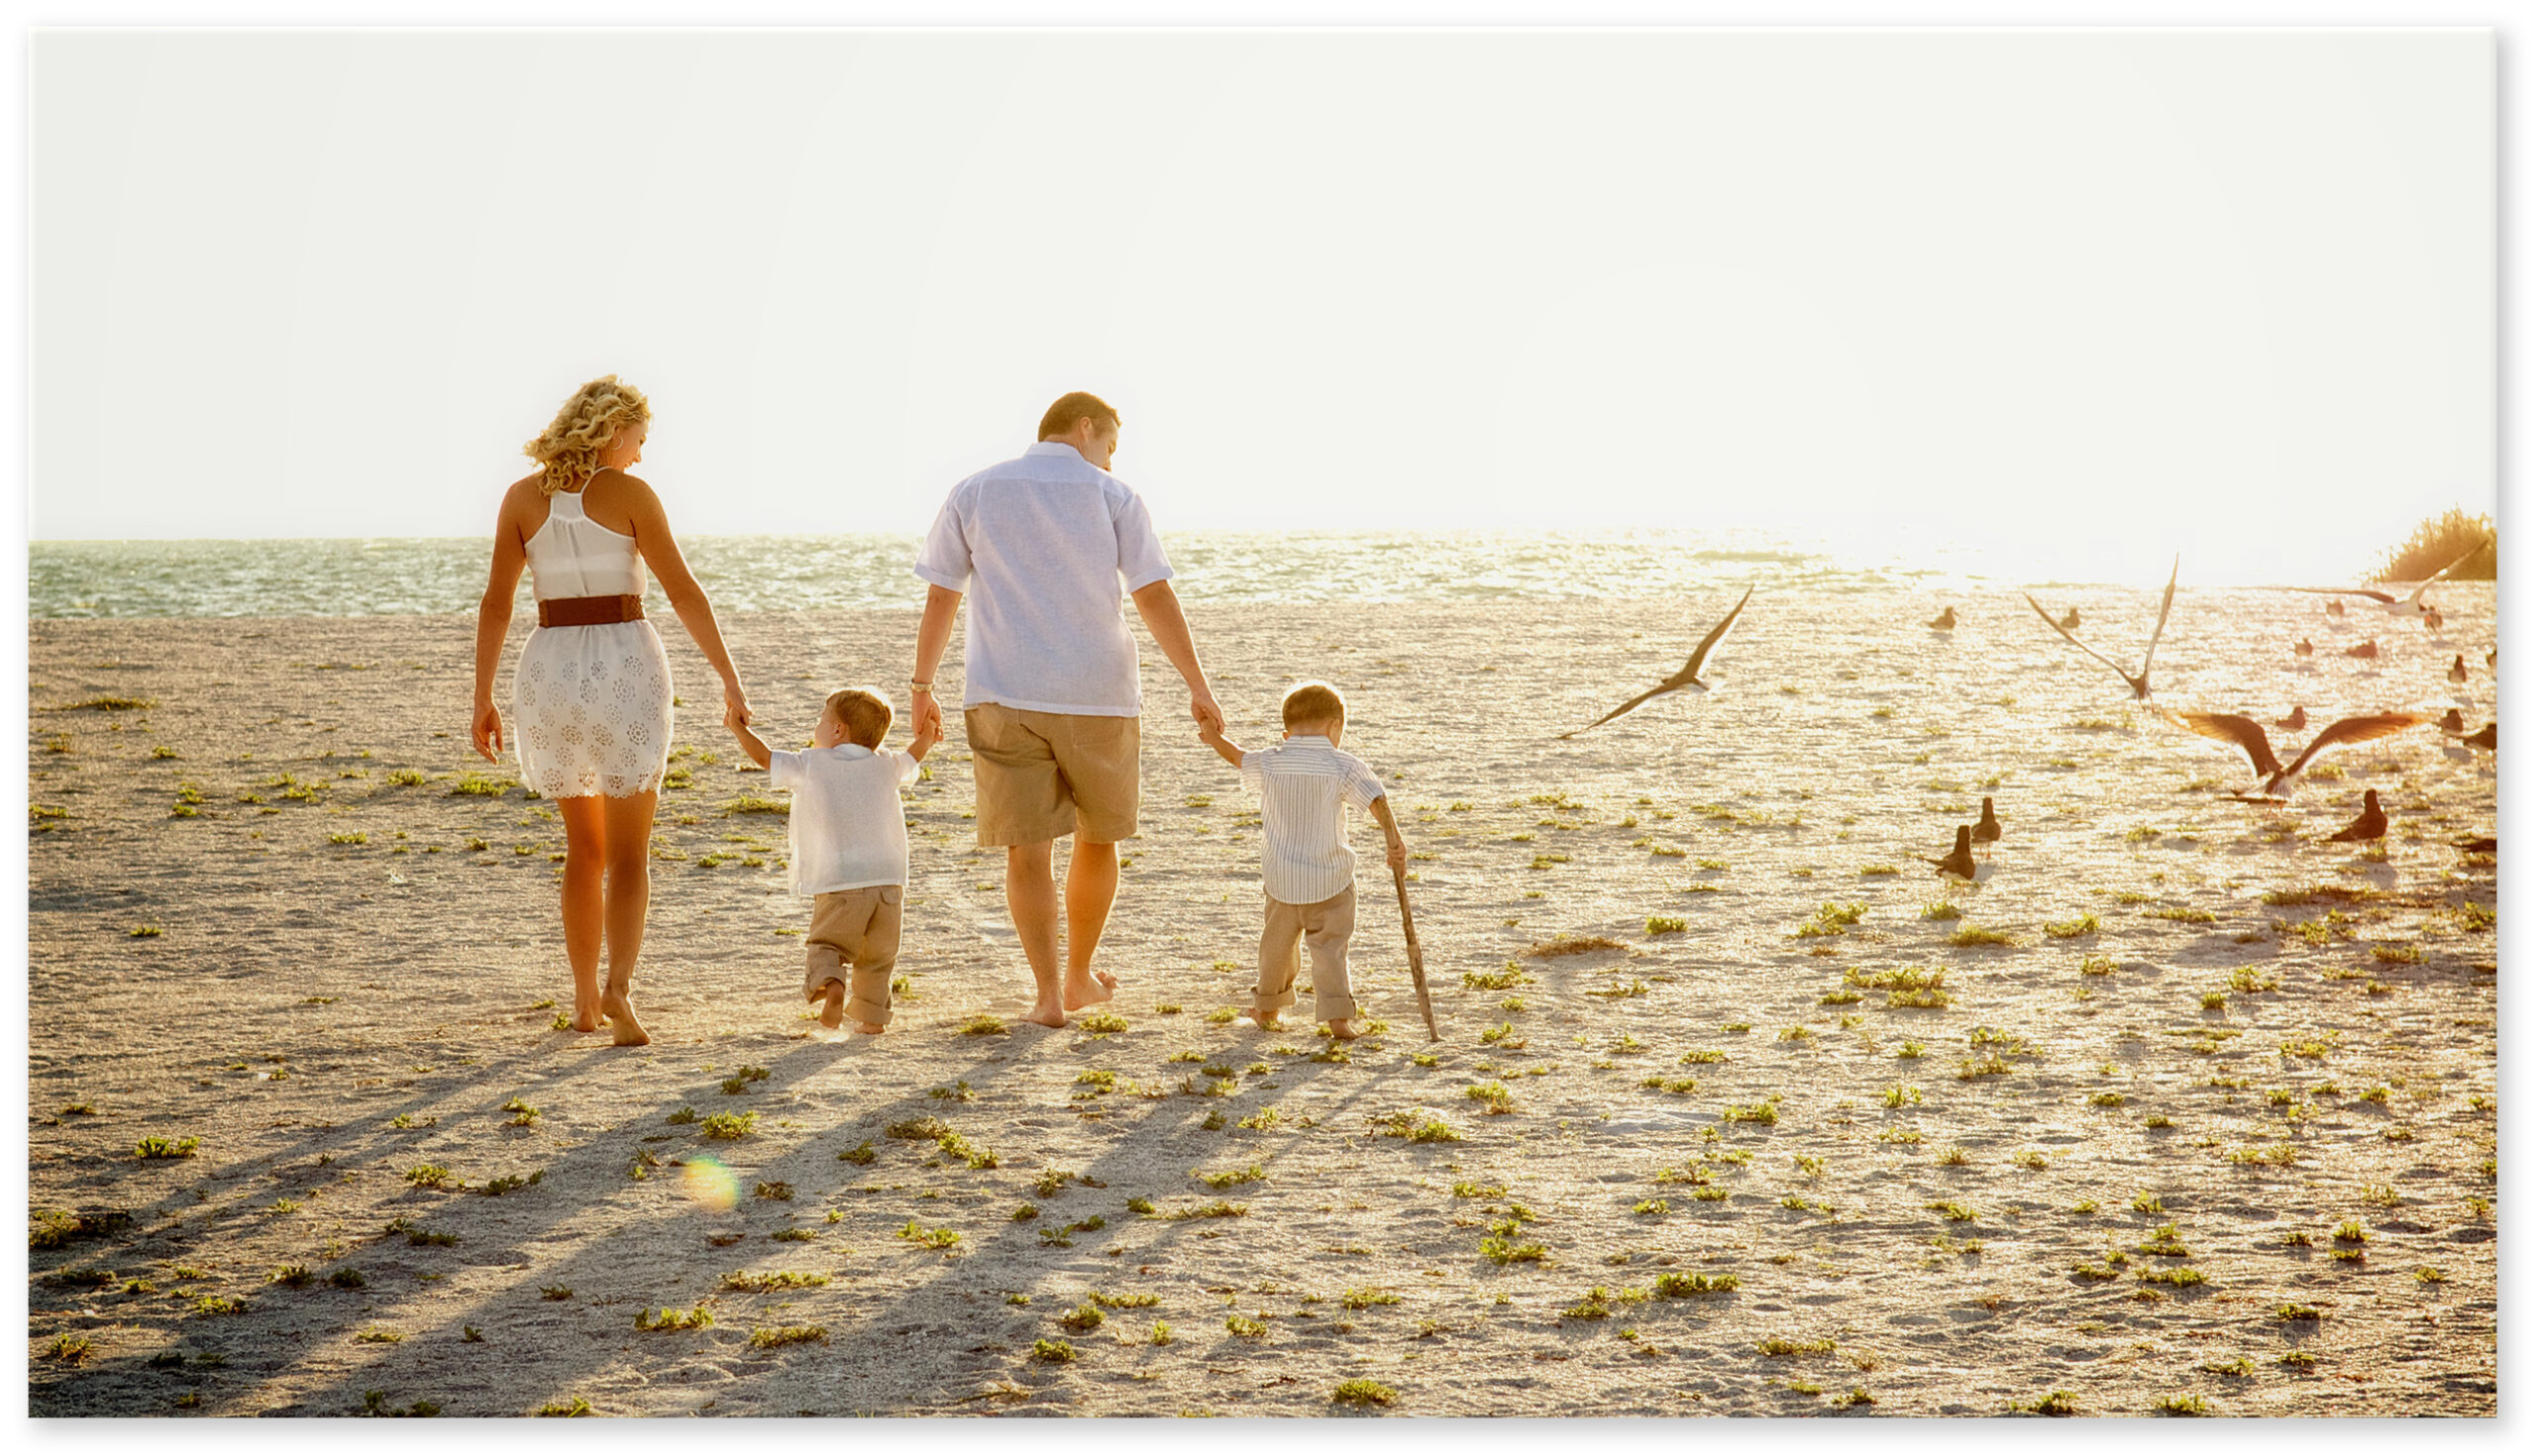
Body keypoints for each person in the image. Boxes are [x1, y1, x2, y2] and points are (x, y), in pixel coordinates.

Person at [908, 391, 1221, 1028]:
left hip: (1001, 692)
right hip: (1097, 696)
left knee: (1026, 852)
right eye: (1110, 445)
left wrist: (921, 687)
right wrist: (1197, 682)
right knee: (1098, 839)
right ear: (1087, 428)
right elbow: (1152, 592)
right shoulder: (1115, 496)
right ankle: (1080, 976)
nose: (1109, 460)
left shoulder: (974, 491)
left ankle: (1048, 995)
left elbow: (942, 596)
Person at [471, 376, 750, 1046]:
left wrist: (481, 696)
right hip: (625, 662)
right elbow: (682, 590)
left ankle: (584, 1003)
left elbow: (497, 604)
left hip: (552, 669)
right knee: (629, 853)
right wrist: (728, 677)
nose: (641, 456)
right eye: (639, 441)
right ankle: (620, 986)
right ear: (612, 430)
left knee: (583, 851)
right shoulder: (629, 495)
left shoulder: (520, 499)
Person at [1198, 681, 1407, 1040]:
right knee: (1330, 951)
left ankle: (1266, 1008)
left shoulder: (1271, 761)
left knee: (1275, 950)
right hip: (1331, 880)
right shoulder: (1343, 765)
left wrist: (1209, 732)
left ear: (1286, 732)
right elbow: (1377, 800)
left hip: (1282, 881)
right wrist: (1394, 843)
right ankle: (1337, 1017)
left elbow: (1235, 755)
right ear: (1335, 727)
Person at [727, 688, 939, 1033]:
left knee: (827, 944)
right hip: (889, 882)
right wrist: (928, 734)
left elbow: (766, 758)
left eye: (821, 720)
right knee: (877, 958)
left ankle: (833, 987)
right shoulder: (886, 764)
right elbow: (914, 756)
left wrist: (739, 730)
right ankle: (871, 1021)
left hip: (841, 881)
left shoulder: (812, 762)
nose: (817, 727)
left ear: (837, 730)